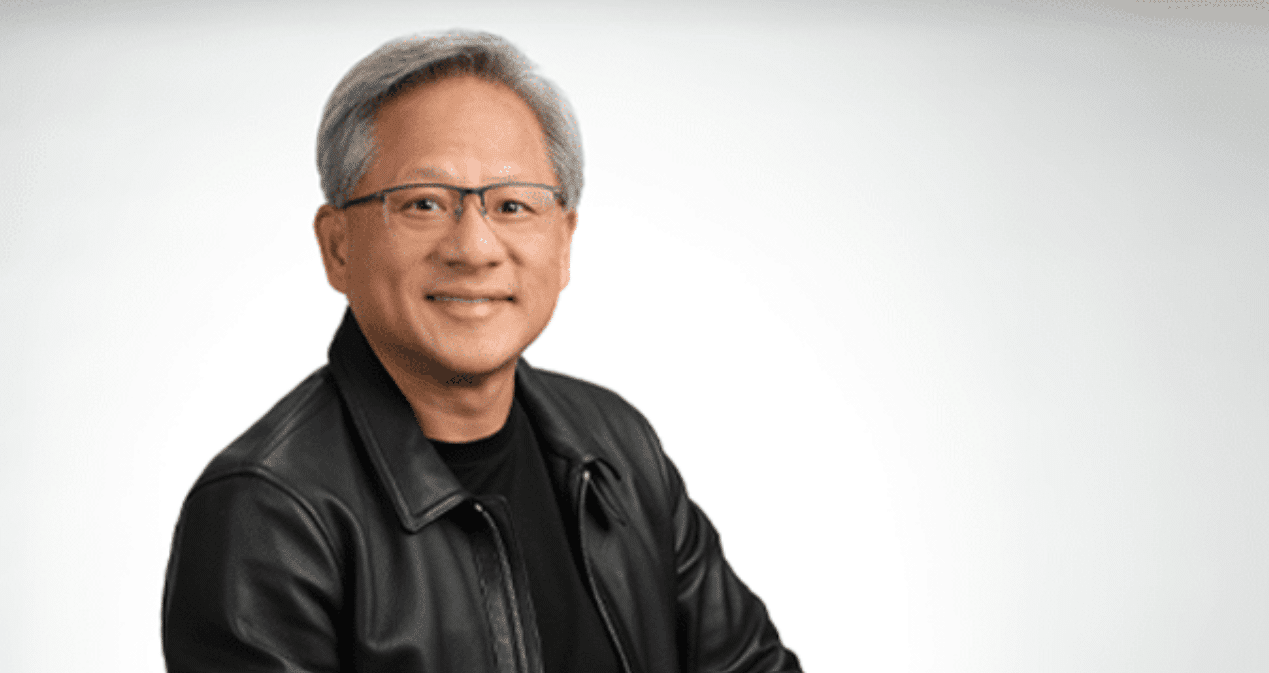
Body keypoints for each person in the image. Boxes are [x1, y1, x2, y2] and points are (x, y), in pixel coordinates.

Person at [161, 30, 801, 673]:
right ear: (338, 246)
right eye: (423, 203)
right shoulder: (267, 511)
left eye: (513, 205)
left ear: (564, 242)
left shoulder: (616, 448)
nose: (473, 249)